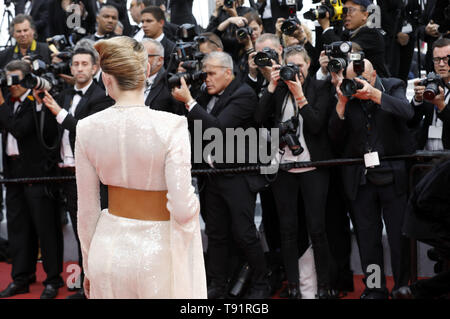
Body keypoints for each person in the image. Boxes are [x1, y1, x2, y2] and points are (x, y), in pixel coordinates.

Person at [73, 36, 206, 299]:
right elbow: (182, 208)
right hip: (159, 252)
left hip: (107, 249)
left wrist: (88, 266)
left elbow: (87, 211)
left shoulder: (85, 127)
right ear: (146, 72)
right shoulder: (172, 126)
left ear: (105, 77)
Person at [171, 51, 271, 299]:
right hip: (212, 175)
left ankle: (261, 282)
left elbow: (218, 130)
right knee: (215, 233)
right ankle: (218, 283)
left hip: (237, 174)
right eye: (204, 74)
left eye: (211, 74)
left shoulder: (244, 94)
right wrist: (187, 96)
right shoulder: (206, 93)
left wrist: (191, 102)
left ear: (228, 72)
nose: (207, 79)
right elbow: (186, 120)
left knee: (245, 233)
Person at [329, 59, 415, 298]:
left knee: (399, 238)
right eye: (353, 79)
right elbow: (334, 137)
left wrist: (375, 94)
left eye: (363, 78)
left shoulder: (393, 85)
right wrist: (342, 103)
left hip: (393, 175)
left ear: (375, 74)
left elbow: (407, 112)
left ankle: (401, 286)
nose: (359, 83)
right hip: (362, 180)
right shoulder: (346, 94)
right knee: (368, 240)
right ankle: (375, 287)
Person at [255, 45, 335, 299]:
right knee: (287, 229)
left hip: (314, 167)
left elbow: (315, 124)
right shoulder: (277, 90)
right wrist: (271, 85)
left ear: (309, 65)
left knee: (317, 228)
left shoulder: (320, 88)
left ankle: (324, 285)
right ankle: (293, 285)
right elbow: (258, 118)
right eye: (289, 65)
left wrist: (300, 94)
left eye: (299, 66)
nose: (295, 71)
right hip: (284, 167)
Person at [35, 47, 114, 299]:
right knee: (80, 232)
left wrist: (58, 111)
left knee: (92, 232)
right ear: (70, 68)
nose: (79, 68)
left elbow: (87, 133)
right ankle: (83, 284)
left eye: (84, 64)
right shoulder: (67, 94)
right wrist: (44, 108)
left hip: (90, 176)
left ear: (94, 69)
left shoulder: (101, 97)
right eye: (75, 64)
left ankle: (95, 287)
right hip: (65, 174)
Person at [0, 60, 64, 299]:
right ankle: (21, 278)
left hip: (38, 174)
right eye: (8, 79)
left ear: (26, 79)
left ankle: (53, 279)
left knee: (46, 229)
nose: (11, 85)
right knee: (18, 229)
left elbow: (20, 128)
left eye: (15, 79)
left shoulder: (36, 101)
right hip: (13, 173)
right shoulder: (9, 102)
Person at [408, 37, 450, 150]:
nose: (441, 64)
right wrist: (417, 100)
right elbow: (410, 123)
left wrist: (441, 105)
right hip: (425, 157)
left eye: (446, 59)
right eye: (437, 59)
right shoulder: (431, 86)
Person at [142, 39, 183, 114]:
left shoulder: (170, 84)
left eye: (144, 56)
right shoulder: (128, 79)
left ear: (159, 60)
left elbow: (192, 119)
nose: (138, 59)